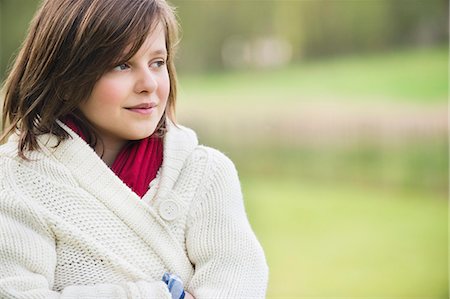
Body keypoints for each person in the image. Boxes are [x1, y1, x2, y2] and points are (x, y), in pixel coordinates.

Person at [0, 0, 268, 298]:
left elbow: (239, 283)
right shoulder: (16, 177)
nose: (148, 84)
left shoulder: (205, 175)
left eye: (157, 63)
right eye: (121, 65)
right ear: (65, 78)